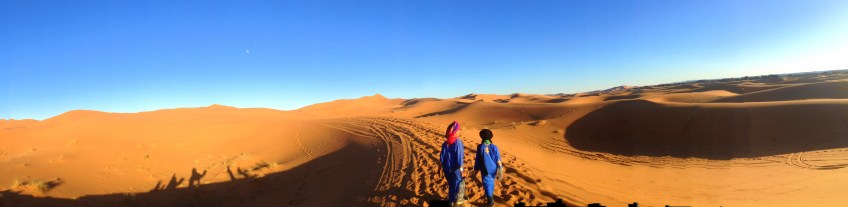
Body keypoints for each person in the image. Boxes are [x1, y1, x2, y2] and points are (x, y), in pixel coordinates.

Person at [439, 121, 466, 206]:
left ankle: (451, 201)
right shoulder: (458, 142)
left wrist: (439, 168)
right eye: (458, 130)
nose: (459, 131)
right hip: (456, 170)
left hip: (447, 169)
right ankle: (456, 202)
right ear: (454, 132)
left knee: (451, 185)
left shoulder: (445, 143)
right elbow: (459, 159)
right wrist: (462, 171)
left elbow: (442, 158)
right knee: (458, 185)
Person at [474, 129, 503, 207]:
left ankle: (490, 201)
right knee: (491, 182)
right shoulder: (494, 147)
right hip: (494, 169)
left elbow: (478, 159)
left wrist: (476, 168)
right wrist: (500, 168)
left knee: (487, 184)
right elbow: (498, 159)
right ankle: (490, 196)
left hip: (485, 169)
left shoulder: (480, 147)